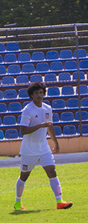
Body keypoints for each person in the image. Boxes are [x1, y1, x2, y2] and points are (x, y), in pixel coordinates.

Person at [14, 82, 73, 211]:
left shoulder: (47, 108)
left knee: (52, 171)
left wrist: (55, 143)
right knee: (24, 176)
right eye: (36, 93)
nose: (39, 95)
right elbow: (23, 130)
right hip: (29, 149)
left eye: (41, 93)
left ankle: (59, 201)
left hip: (43, 147)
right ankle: (18, 202)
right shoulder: (27, 110)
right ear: (31, 95)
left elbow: (49, 127)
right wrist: (40, 125)